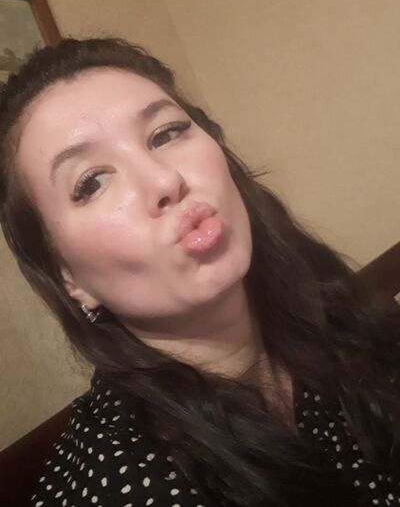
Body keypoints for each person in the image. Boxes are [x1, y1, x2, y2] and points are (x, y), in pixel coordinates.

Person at [0, 38, 399, 507]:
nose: (165, 180)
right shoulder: (118, 485)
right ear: (69, 277)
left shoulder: (330, 324)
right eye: (92, 182)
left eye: (166, 134)